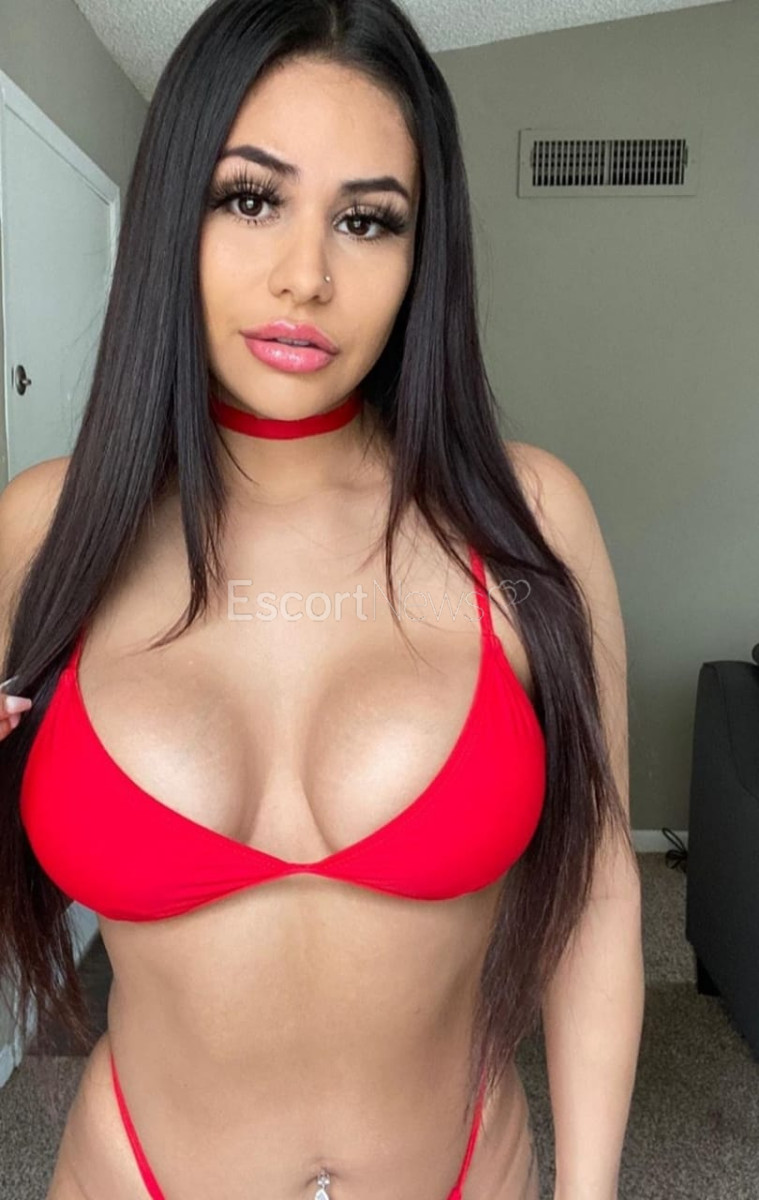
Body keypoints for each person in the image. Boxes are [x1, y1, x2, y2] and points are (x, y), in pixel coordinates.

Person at [0, 1, 645, 1197]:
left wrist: (591, 1189)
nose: (307, 275)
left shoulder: (528, 521)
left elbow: (599, 888)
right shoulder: (43, 528)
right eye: (252, 198)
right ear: (172, 217)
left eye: (367, 219)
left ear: (421, 255)